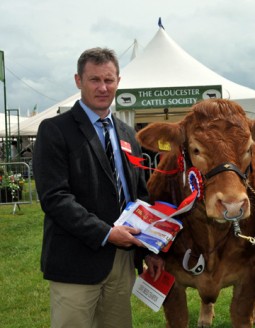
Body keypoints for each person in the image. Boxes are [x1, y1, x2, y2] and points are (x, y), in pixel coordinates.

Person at [33, 47, 164, 328]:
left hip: (122, 260)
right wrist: (106, 233)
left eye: (109, 80)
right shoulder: (55, 130)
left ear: (118, 81)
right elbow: (55, 198)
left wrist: (150, 249)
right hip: (76, 261)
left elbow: (139, 195)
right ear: (78, 80)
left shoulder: (128, 134)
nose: (103, 88)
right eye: (94, 80)